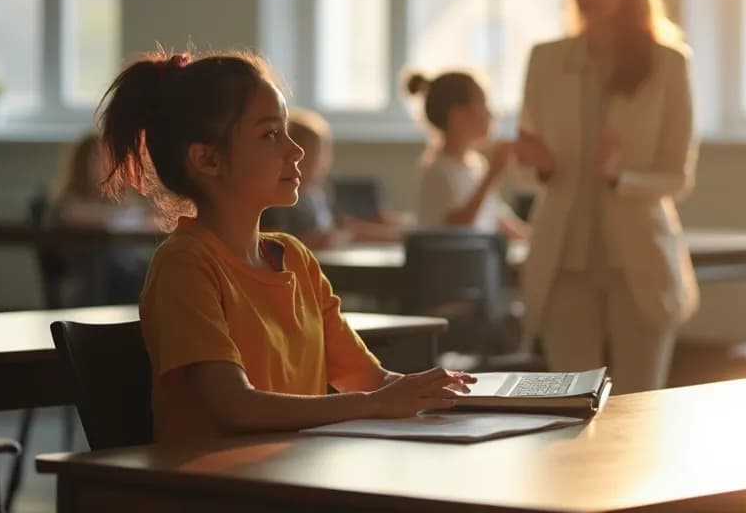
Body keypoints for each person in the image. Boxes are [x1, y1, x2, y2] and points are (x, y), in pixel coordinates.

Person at [96, 50, 473, 442]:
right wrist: (375, 402)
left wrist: (452, 394)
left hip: (291, 473)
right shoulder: (185, 264)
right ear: (207, 159)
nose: (296, 151)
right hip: (216, 489)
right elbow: (236, 406)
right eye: (270, 134)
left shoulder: (294, 257)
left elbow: (371, 380)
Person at [515, 0, 697, 394]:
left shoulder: (668, 64)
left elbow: (678, 176)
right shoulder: (546, 61)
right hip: (563, 263)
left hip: (638, 264)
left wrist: (623, 176)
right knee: (569, 410)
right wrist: (544, 167)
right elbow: (532, 168)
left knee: (641, 411)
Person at [407, 70, 529, 238]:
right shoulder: (438, 172)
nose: (492, 113)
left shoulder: (476, 166)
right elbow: (457, 226)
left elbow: (498, 219)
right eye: (483, 104)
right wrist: (492, 175)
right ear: (458, 116)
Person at [259, 108, 402, 247]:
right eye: (313, 158)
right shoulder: (279, 202)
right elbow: (268, 243)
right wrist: (316, 242)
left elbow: (345, 228)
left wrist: (388, 231)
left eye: (322, 157)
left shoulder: (317, 195)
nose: (321, 165)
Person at [47, 132, 157, 305]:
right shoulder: (70, 201)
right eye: (96, 159)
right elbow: (76, 215)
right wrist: (124, 217)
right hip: (89, 281)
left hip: (124, 273)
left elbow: (148, 221)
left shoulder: (116, 201)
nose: (103, 166)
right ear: (81, 164)